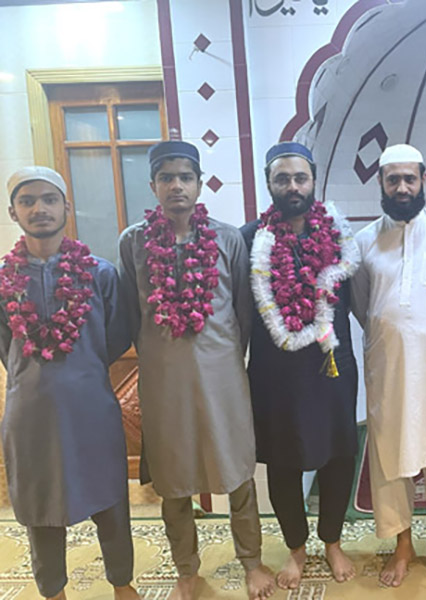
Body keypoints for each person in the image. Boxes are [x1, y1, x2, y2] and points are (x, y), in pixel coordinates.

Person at [118, 141, 274, 600]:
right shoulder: (133, 242)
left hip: (223, 377)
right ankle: (186, 568)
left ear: (200, 184)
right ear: (153, 186)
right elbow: (131, 313)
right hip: (164, 382)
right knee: (174, 478)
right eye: (166, 177)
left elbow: (243, 313)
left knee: (237, 472)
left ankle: (252, 561)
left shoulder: (227, 238)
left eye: (185, 177)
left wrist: (225, 356)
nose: (176, 186)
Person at [1, 167, 139, 600]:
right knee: (40, 506)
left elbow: (117, 335)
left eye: (49, 199)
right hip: (31, 411)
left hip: (91, 407)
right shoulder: (3, 281)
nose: (39, 208)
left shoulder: (99, 274)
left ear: (67, 207)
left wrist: (82, 369)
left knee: (111, 499)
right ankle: (53, 591)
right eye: (28, 201)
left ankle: (122, 584)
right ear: (13, 212)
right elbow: (5, 344)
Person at [241, 142, 359, 590]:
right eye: (282, 179)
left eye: (300, 178)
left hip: (332, 364)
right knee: (284, 461)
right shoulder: (248, 237)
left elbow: (356, 300)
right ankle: (295, 547)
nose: (292, 186)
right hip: (275, 369)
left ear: (314, 181)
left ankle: (332, 541)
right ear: (269, 184)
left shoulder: (339, 235)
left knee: (339, 454)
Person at [351, 144, 426, 593]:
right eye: (392, 179)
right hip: (388, 368)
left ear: (423, 180)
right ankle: (403, 544)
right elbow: (364, 306)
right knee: (390, 457)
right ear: (380, 183)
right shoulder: (363, 243)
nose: (401, 187)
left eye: (409, 179)